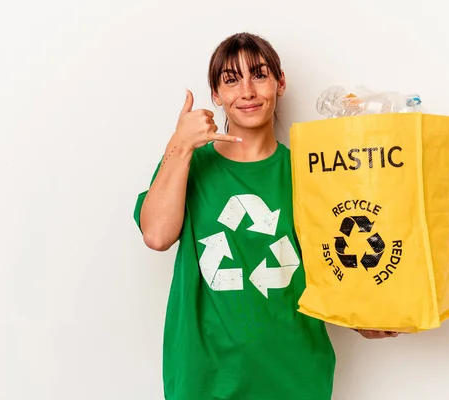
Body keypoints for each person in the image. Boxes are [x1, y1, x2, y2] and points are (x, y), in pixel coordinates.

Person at [133, 32, 398, 400]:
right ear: (215, 95)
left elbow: (333, 263)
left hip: (294, 375)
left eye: (259, 75)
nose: (247, 91)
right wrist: (179, 144)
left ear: (280, 82)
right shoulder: (187, 166)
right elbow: (157, 236)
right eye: (230, 80)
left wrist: (364, 318)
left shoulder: (311, 172)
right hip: (204, 379)